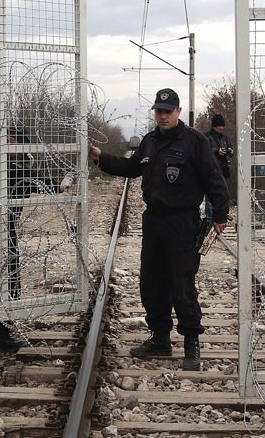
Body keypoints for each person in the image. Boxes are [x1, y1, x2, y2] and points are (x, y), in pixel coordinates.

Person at [88, 88, 230, 371]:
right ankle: (160, 339)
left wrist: (221, 214)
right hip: (153, 221)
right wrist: (101, 157)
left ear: (178, 111)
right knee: (152, 283)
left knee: (182, 284)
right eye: (159, 111)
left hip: (183, 222)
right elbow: (131, 168)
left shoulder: (195, 141)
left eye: (168, 111)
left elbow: (214, 178)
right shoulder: (150, 142)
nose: (163, 116)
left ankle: (191, 343)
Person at [0, 126, 73, 353]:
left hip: (4, 230)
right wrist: (57, 182)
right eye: (16, 144)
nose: (19, 150)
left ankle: (2, 337)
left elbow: (24, 184)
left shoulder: (10, 165)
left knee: (10, 283)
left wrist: (27, 169)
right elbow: (24, 182)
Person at [204, 114, 234, 220]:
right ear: (214, 126)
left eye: (222, 126)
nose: (221, 128)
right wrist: (217, 152)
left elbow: (230, 149)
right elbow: (205, 151)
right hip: (210, 171)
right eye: (218, 126)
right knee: (210, 198)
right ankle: (209, 220)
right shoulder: (207, 137)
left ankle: (220, 217)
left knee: (223, 195)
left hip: (223, 170)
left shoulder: (224, 138)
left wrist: (229, 151)